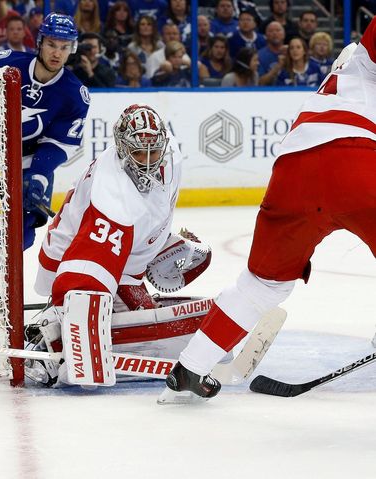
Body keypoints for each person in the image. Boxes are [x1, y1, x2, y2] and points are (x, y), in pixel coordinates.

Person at [160, 17, 376, 403]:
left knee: (262, 284)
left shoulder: (338, 83)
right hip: (355, 162)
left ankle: (190, 368)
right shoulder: (365, 61)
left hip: (294, 168)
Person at [28, 104, 211, 387]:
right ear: (123, 149)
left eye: (154, 152)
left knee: (141, 312)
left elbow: (148, 213)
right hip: (69, 257)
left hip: (122, 255)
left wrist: (160, 244)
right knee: (116, 314)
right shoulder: (112, 195)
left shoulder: (169, 152)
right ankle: (48, 332)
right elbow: (86, 269)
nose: (149, 161)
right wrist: (79, 340)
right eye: (139, 153)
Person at [0, 13, 90, 250]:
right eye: (52, 45)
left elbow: (59, 143)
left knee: (25, 221)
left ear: (71, 49)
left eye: (64, 47)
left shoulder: (74, 94)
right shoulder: (4, 65)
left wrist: (39, 173)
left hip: (29, 157)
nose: (57, 53)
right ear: (40, 43)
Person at [257, 21, 287, 86]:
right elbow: (260, 82)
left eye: (278, 30)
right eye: (271, 31)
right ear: (266, 35)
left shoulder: (292, 52)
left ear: (284, 34)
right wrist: (278, 66)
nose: (274, 33)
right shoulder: (259, 55)